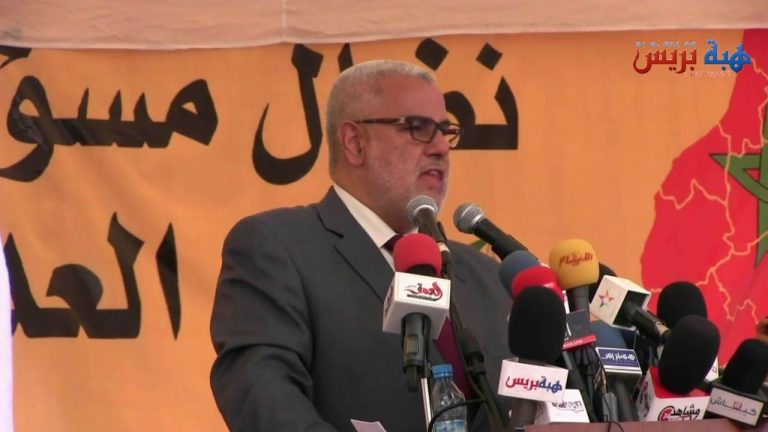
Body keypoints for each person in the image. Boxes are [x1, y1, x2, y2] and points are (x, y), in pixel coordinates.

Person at [210, 60, 512, 431]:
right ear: (355, 143)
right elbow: (263, 401)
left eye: (445, 131)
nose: (440, 148)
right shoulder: (277, 248)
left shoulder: (487, 276)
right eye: (417, 128)